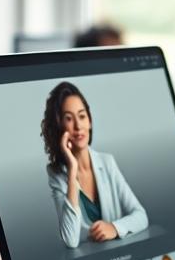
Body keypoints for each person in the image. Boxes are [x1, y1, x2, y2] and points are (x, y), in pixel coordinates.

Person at [41, 81, 149, 249]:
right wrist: (72, 170)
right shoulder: (56, 174)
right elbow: (70, 239)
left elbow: (141, 216)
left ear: (90, 121)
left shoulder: (107, 162)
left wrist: (114, 227)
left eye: (82, 116)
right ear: (59, 127)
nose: (78, 126)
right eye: (69, 119)